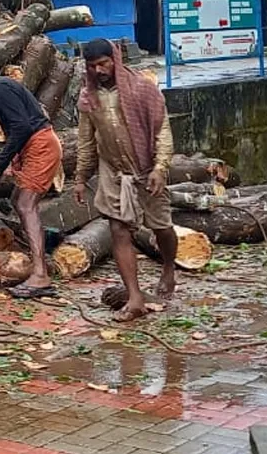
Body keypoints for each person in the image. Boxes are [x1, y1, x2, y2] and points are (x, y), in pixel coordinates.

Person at [73, 38, 175, 322]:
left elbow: (162, 131)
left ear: (114, 60)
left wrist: (160, 167)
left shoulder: (143, 88)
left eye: (103, 64)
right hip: (113, 171)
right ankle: (135, 297)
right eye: (92, 66)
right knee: (118, 230)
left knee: (162, 227)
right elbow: (85, 141)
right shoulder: (87, 98)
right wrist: (81, 177)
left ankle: (168, 267)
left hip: (146, 169)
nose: (99, 71)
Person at [0, 55, 63, 298]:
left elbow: (23, 127)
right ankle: (46, 243)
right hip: (33, 144)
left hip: (40, 145)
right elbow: (19, 126)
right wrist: (8, 160)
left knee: (27, 205)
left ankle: (40, 276)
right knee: (18, 200)